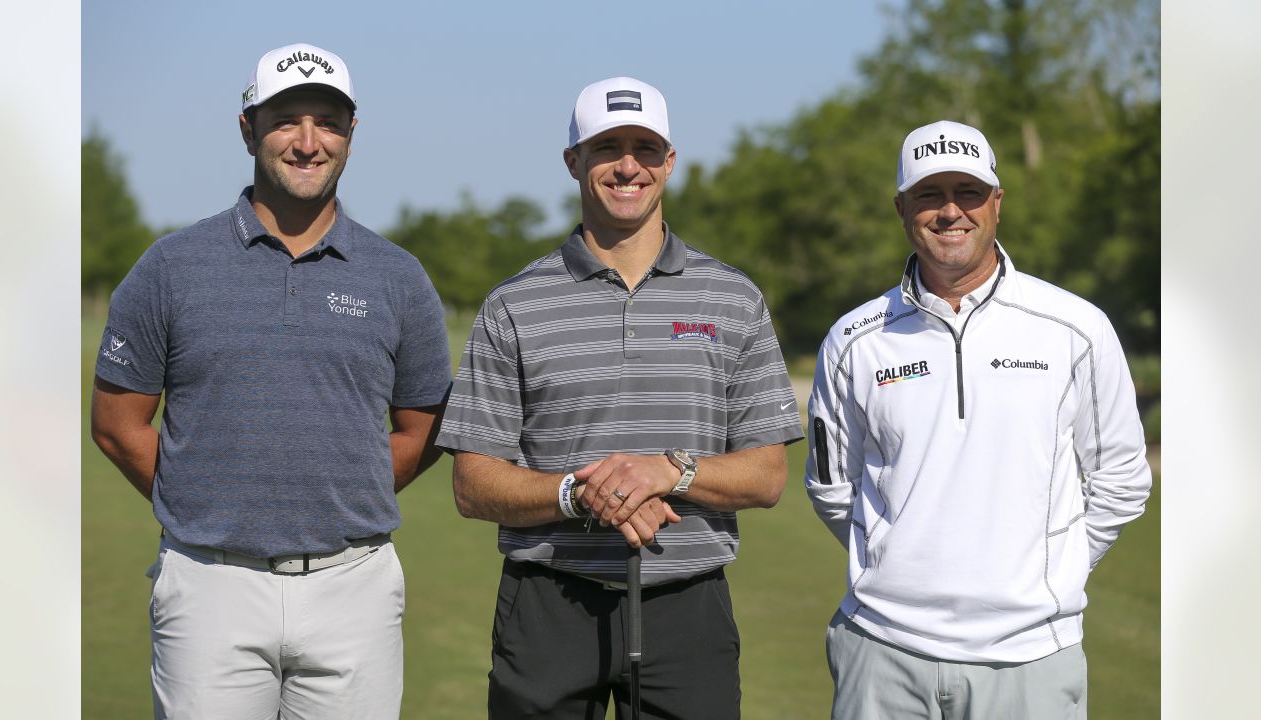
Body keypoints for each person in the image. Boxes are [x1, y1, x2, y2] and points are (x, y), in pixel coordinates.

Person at [90, 43, 452, 718]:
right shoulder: (171, 266)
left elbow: (424, 427)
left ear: (351, 136)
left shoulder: (398, 276)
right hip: (208, 585)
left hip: (356, 587)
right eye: (286, 119)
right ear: (248, 129)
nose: (309, 142)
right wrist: (203, 505)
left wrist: (344, 491)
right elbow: (116, 426)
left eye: (329, 122)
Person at [436, 77, 804, 719]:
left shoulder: (733, 299)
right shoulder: (514, 303)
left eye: (645, 147)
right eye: (608, 147)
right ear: (573, 161)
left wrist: (667, 471)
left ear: (670, 161)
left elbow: (768, 475)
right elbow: (472, 484)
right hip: (548, 602)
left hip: (686, 605)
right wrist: (579, 494)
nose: (628, 165)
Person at [804, 119, 1152, 719]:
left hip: (1032, 659)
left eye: (967, 192)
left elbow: (1121, 481)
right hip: (883, 651)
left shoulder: (1076, 328)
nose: (949, 212)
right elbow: (833, 487)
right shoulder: (854, 340)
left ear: (997, 203)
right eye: (929, 195)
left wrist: (1048, 574)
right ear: (901, 208)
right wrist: (899, 559)